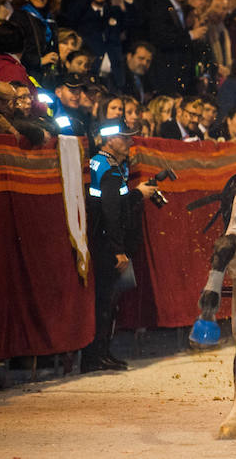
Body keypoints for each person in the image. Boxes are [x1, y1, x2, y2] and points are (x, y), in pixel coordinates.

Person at [82, 118, 158, 373]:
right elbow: (113, 212)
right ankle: (97, 355)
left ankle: (101, 354)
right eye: (125, 138)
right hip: (108, 246)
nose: (130, 142)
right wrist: (118, 250)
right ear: (109, 139)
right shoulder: (109, 169)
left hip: (102, 241)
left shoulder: (101, 163)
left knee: (108, 300)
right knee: (107, 301)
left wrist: (136, 193)